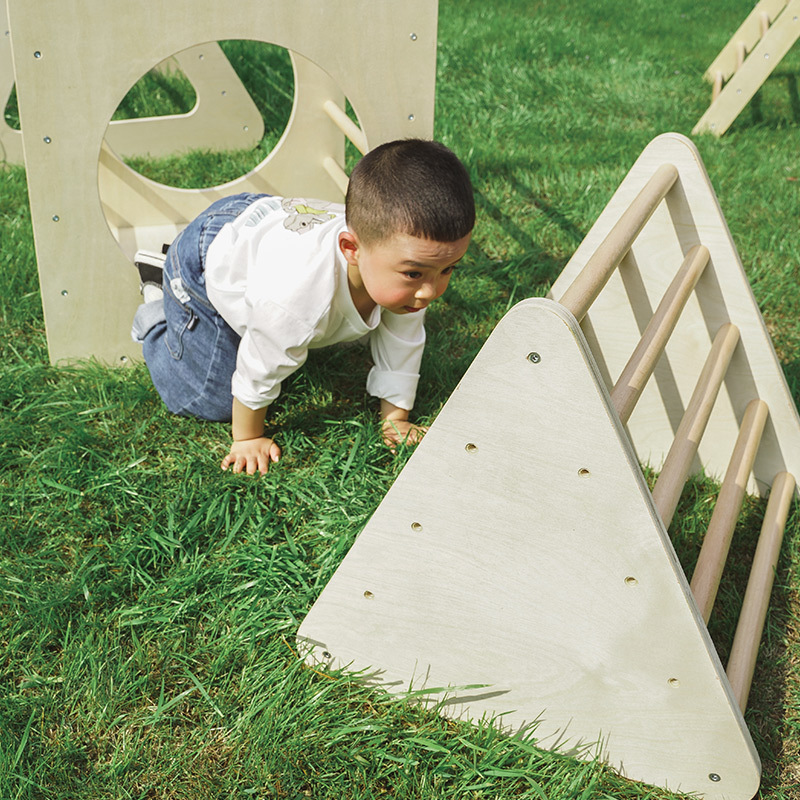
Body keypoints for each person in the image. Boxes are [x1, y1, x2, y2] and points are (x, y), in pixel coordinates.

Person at [131, 139, 474, 475]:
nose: (431, 290)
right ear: (351, 249)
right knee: (208, 397)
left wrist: (395, 418)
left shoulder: (405, 262)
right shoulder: (297, 296)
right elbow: (259, 366)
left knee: (329, 320)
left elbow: (403, 340)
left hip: (266, 223)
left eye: (449, 269)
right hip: (210, 255)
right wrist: (248, 437)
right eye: (414, 274)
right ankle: (159, 299)